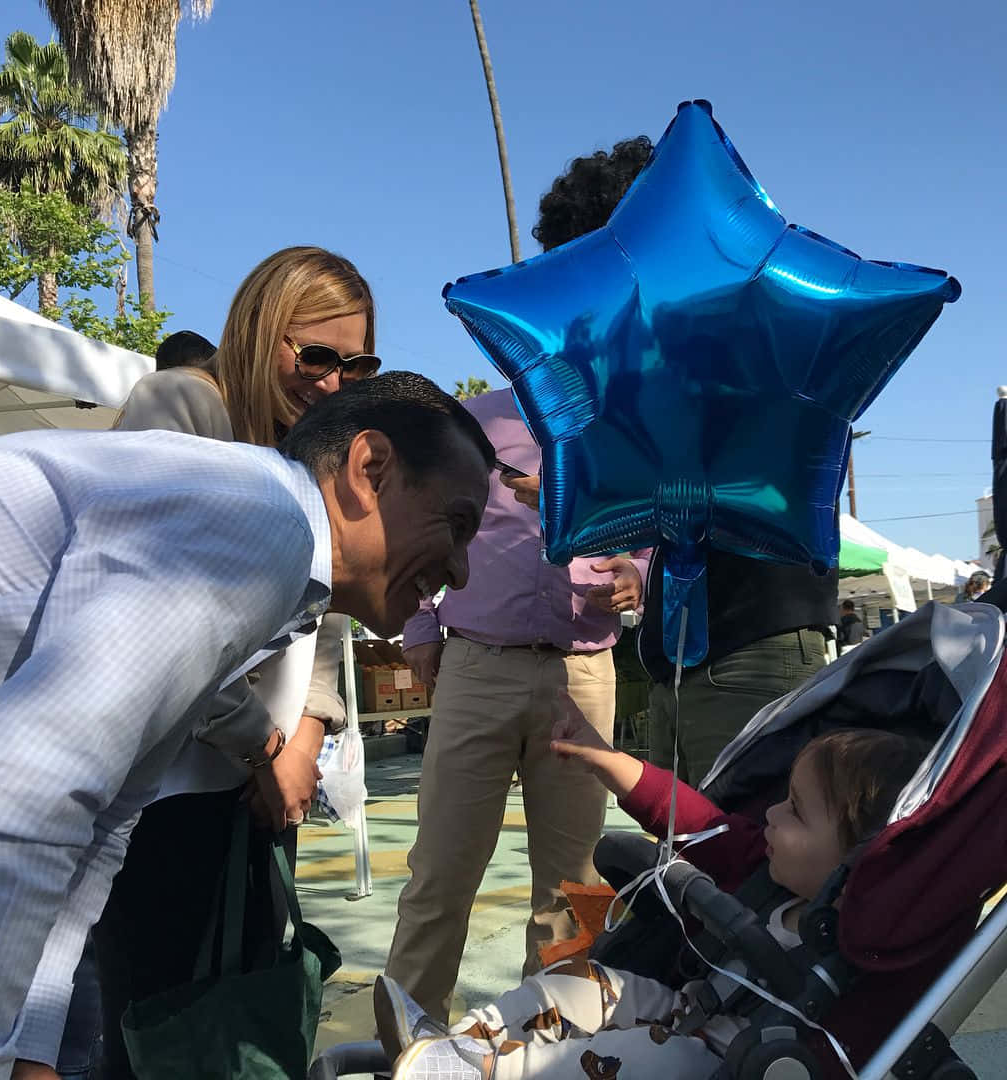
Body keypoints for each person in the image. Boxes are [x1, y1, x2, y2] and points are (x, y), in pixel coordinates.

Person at [0, 372, 494, 1080]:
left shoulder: (256, 529)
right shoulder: (258, 522)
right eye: (458, 523)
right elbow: (15, 795)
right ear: (369, 469)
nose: (463, 571)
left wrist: (30, 1050)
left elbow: (101, 828)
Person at [90, 246, 378, 1080]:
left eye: (356, 362)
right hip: (164, 790)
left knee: (245, 1017)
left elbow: (325, 618)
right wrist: (263, 747)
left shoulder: (313, 448)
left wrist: (300, 742)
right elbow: (151, 617)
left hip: (261, 788)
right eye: (313, 354)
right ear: (259, 330)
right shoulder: (181, 406)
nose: (333, 381)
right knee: (156, 1028)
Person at [374, 717, 929, 1080]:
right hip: (685, 1007)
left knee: (628, 1058)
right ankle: (461, 1041)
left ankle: (485, 1071)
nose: (772, 814)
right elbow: (698, 819)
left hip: (731, 1059)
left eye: (797, 812)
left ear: (861, 860)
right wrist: (609, 762)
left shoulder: (865, 944)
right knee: (576, 982)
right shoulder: (765, 869)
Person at [534, 134, 836, 789]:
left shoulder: (735, 336)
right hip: (695, 660)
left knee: (743, 868)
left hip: (751, 657)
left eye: (589, 270)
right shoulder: (683, 349)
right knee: (690, 872)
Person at [385, 386, 649, 1022]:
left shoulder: (625, 430)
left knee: (574, 883)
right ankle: (408, 1047)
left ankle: (550, 1043)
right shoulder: (474, 420)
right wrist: (419, 626)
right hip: (477, 662)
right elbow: (423, 521)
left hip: (583, 670)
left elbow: (642, 537)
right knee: (441, 872)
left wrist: (635, 572)